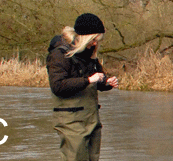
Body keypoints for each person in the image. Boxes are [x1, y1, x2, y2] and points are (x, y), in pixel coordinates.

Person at [46, 13, 119, 161]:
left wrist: (107, 83)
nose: (95, 44)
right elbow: (58, 86)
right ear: (84, 37)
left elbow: (98, 79)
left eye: (97, 41)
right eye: (93, 40)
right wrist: (88, 80)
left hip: (91, 117)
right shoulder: (59, 55)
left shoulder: (89, 54)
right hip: (71, 120)